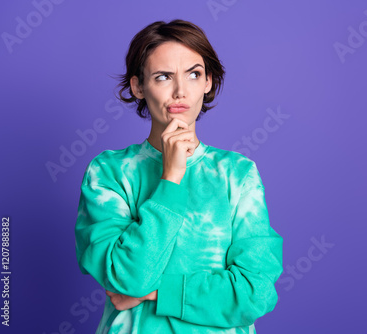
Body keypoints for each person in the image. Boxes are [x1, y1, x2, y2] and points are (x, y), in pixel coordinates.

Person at [74, 19, 283, 333]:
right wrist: (170, 178)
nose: (180, 91)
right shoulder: (108, 172)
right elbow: (128, 277)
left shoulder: (237, 174)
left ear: (208, 82)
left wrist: (156, 293)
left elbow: (256, 292)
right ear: (138, 86)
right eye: (163, 77)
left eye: (194, 74)